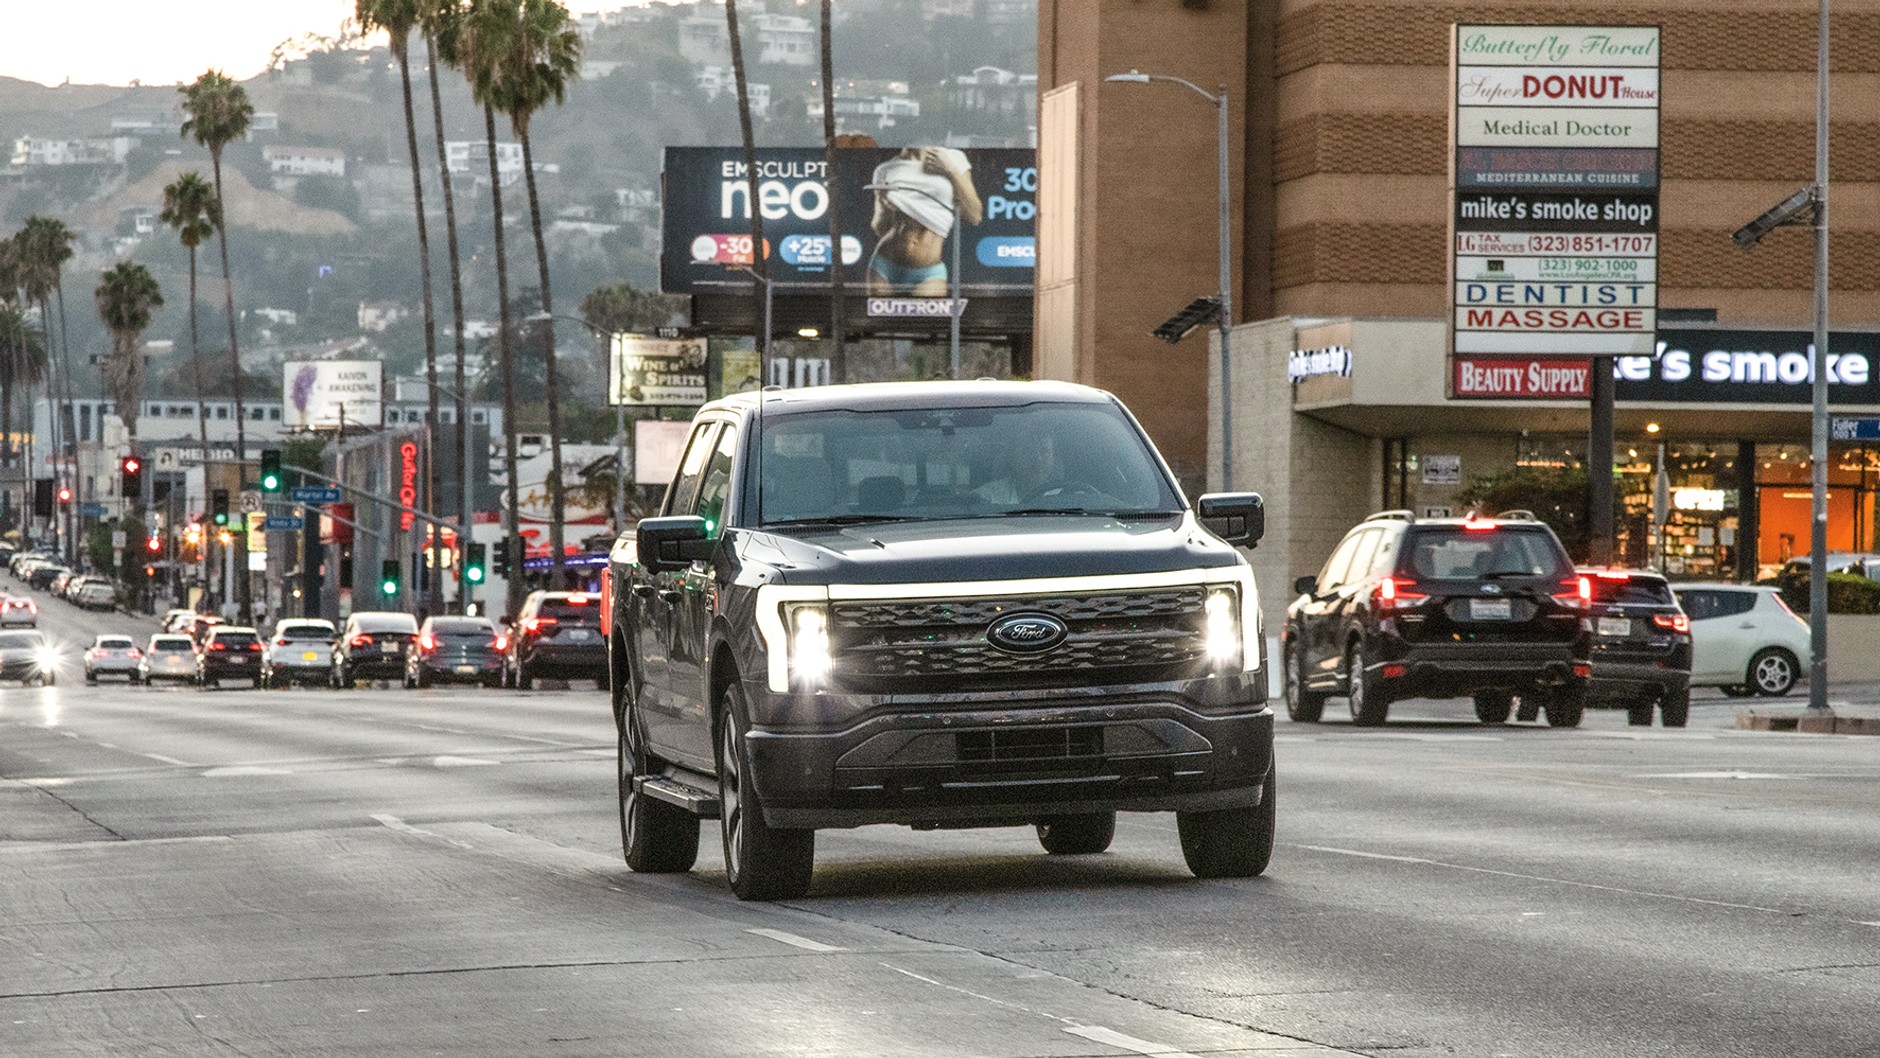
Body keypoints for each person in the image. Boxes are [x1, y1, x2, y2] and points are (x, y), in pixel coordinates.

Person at [866, 146, 984, 296]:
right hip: (884, 264)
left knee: (926, 320)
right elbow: (879, 227)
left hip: (928, 273)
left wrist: (950, 170)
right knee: (878, 319)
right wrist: (882, 202)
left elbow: (974, 215)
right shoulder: (884, 169)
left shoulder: (952, 158)